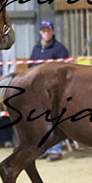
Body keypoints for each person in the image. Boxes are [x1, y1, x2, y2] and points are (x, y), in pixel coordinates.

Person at [29, 19, 69, 161]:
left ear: (52, 31)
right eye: (43, 30)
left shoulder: (60, 49)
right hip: (38, 90)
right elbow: (30, 68)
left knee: (55, 119)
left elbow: (64, 70)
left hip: (55, 90)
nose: (46, 33)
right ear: (40, 32)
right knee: (41, 120)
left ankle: (56, 150)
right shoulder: (36, 49)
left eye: (48, 30)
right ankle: (44, 149)